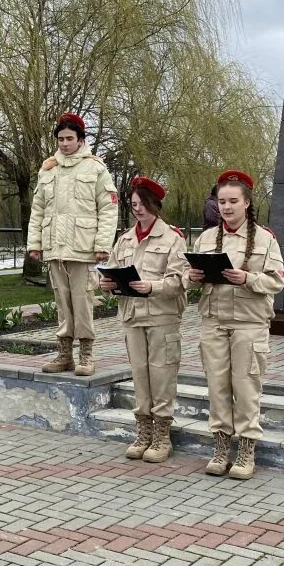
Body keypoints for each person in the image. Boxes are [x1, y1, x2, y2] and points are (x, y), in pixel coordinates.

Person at [187, 170, 284, 480]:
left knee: (245, 388)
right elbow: (187, 278)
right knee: (217, 387)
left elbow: (278, 281)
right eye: (222, 202)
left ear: (246, 202)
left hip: (249, 323)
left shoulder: (265, 238)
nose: (227, 207)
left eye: (233, 201)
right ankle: (219, 448)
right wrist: (192, 277)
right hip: (214, 322)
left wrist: (248, 278)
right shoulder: (205, 238)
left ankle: (245, 450)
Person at [99, 177, 189, 463]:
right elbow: (111, 270)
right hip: (132, 316)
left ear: (154, 204)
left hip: (162, 317)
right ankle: (143, 432)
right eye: (133, 204)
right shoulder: (125, 239)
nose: (137, 209)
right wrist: (107, 284)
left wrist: (152, 286)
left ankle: (162, 436)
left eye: (141, 203)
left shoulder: (173, 238)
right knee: (140, 375)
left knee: (162, 376)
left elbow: (179, 280)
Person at [26, 112, 118, 376]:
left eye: (69, 138)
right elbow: (38, 209)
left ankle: (86, 355)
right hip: (56, 247)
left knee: (83, 301)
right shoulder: (48, 170)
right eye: (60, 138)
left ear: (80, 139)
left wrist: (103, 244)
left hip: (83, 247)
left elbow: (108, 209)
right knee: (62, 302)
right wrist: (35, 243)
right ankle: (64, 354)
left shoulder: (96, 168)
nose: (64, 143)